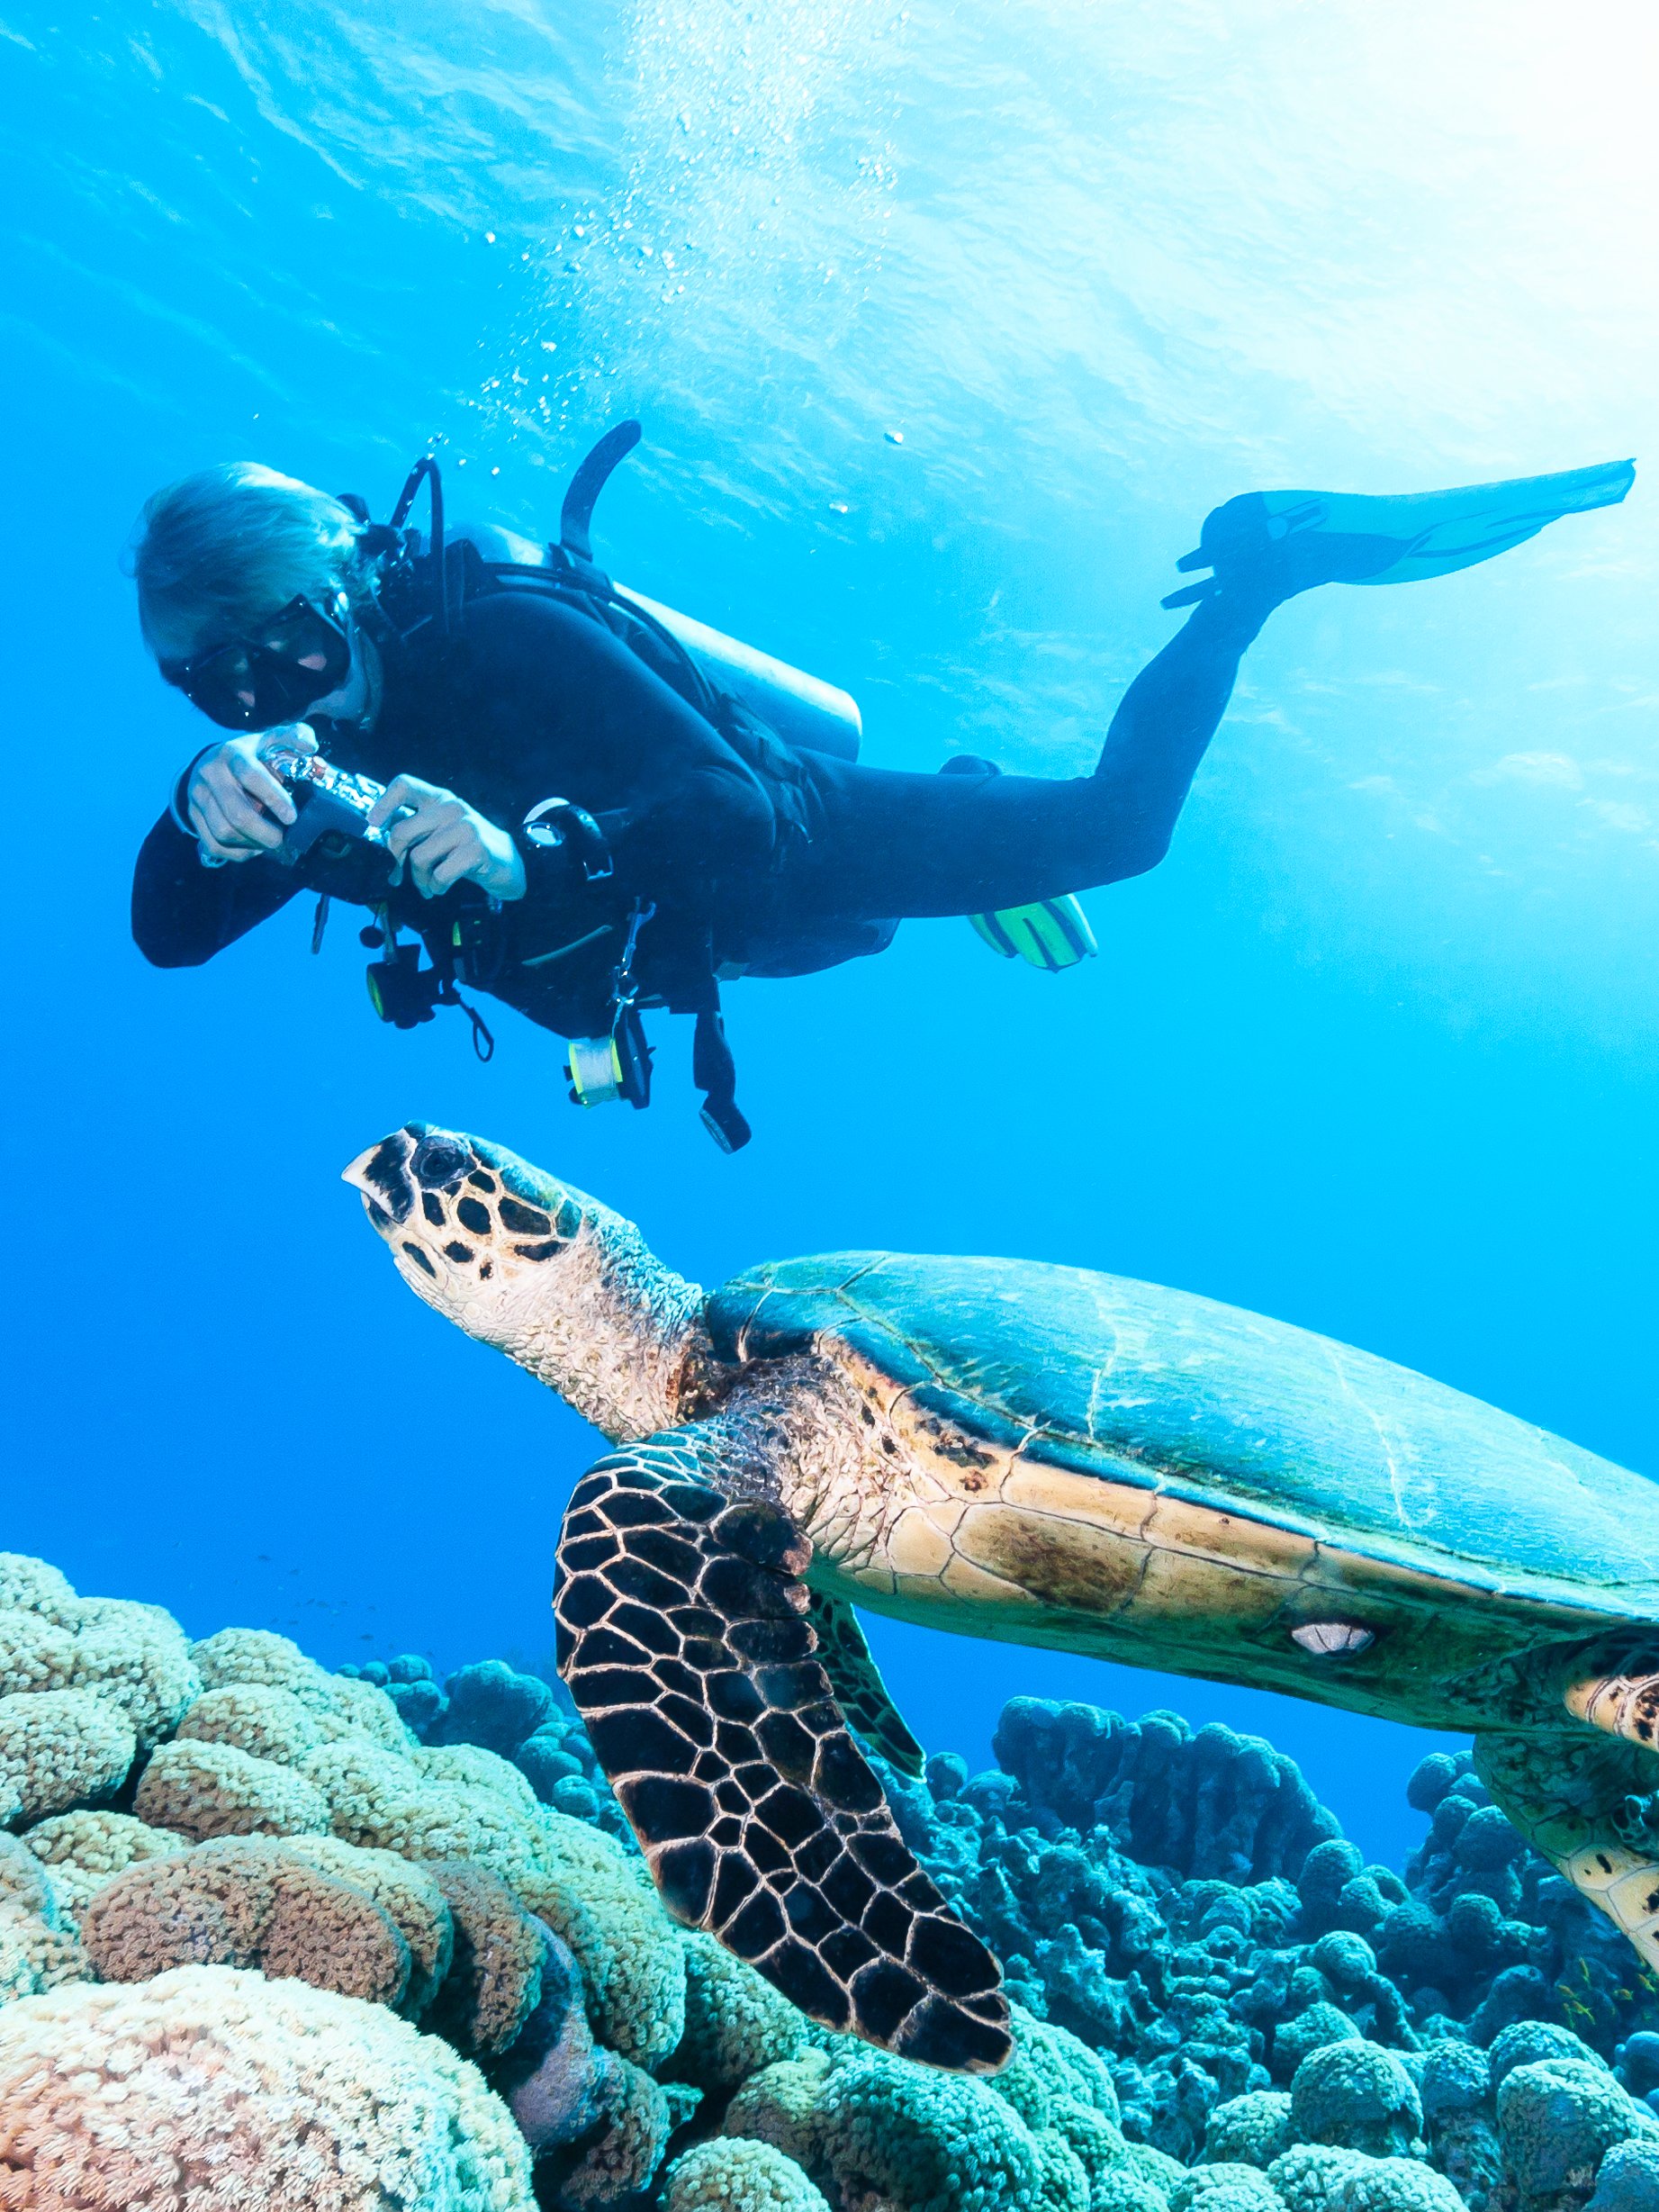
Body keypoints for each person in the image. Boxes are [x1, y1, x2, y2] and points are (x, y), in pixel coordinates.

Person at [129, 451, 1633, 1147]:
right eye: (226, 690)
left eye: (300, 650)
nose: (287, 705)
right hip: (692, 954)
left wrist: (533, 857)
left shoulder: (501, 640)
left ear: (352, 591)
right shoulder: (289, 788)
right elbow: (168, 940)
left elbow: (721, 807)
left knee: (1116, 836)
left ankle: (1267, 569)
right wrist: (191, 816)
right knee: (852, 948)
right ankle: (961, 821)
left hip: (787, 836)